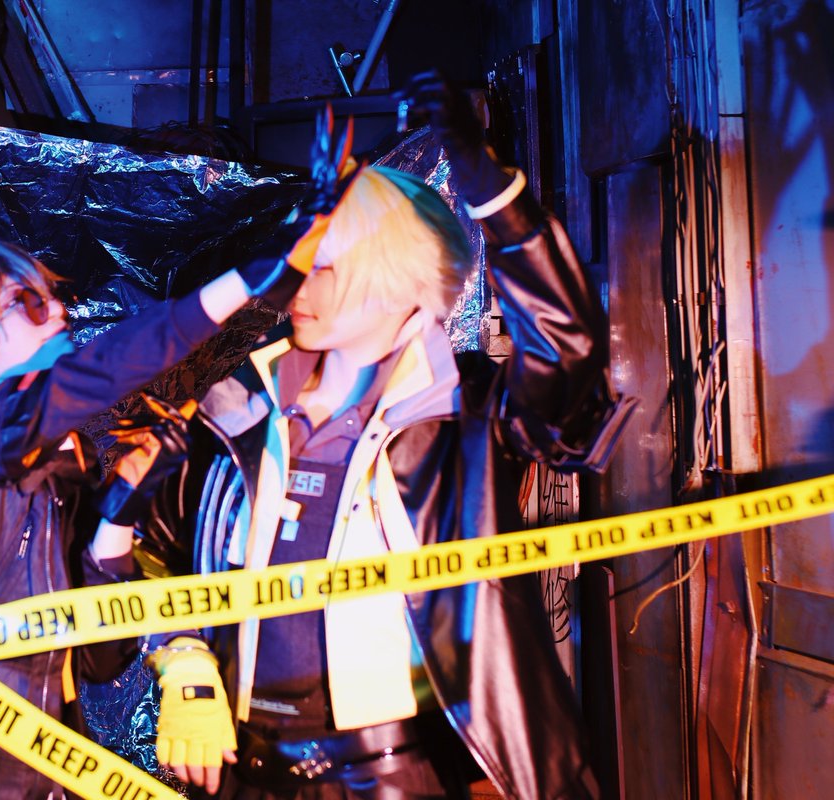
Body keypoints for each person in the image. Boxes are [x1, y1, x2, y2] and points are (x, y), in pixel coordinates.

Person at [111, 73, 634, 800]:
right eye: (302, 262)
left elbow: (566, 349)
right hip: (246, 774)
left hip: (391, 777)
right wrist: (183, 661)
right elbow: (151, 553)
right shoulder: (238, 411)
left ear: (401, 278)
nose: (301, 285)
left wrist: (488, 185)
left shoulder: (466, 418)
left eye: (327, 267)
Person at [0, 213, 330, 800]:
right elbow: (97, 372)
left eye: (51, 295)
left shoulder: (60, 470)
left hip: (39, 765)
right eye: (27, 304)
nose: (58, 311)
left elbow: (100, 658)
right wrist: (248, 279)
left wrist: (117, 514)